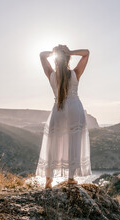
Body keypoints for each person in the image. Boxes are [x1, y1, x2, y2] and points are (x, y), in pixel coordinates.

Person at [35, 44, 92, 189]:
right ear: (68, 59)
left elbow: (42, 54)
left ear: (55, 59)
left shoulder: (52, 75)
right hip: (74, 108)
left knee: (53, 142)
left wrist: (56, 52)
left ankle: (49, 178)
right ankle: (71, 178)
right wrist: (69, 52)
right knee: (74, 140)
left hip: (58, 109)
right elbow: (86, 53)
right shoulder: (75, 73)